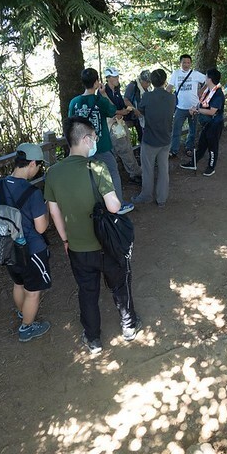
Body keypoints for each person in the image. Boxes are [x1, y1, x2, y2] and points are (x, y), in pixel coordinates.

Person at [45, 117, 142, 353]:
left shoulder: (53, 172)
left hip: (78, 247)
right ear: (86, 139)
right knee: (119, 284)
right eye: (95, 138)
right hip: (106, 244)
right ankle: (129, 325)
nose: (96, 142)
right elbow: (113, 206)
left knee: (87, 292)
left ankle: (93, 338)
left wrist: (66, 240)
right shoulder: (96, 167)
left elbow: (54, 211)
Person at [0, 143, 51, 342]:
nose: (38, 169)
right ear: (32, 163)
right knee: (33, 292)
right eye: (39, 165)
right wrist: (46, 210)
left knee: (18, 283)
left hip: (7, 248)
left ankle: (21, 312)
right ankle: (27, 327)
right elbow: (41, 228)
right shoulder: (32, 193)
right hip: (31, 250)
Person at [69, 68, 135, 215]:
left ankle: (95, 207)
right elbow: (112, 110)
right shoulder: (100, 101)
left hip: (82, 148)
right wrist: (104, 93)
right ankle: (117, 204)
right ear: (96, 82)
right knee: (112, 172)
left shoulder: (74, 103)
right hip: (102, 144)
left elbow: (70, 125)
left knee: (90, 176)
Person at [132, 69, 174, 207]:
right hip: (166, 139)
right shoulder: (171, 97)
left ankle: (146, 196)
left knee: (148, 169)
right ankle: (162, 199)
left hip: (150, 139)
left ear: (152, 82)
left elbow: (141, 111)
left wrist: (132, 109)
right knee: (163, 169)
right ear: (164, 81)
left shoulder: (147, 97)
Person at [181, 68, 224, 176]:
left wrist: (197, 110)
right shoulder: (207, 91)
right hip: (207, 123)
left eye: (206, 76)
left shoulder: (218, 93)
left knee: (212, 147)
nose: (204, 78)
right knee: (201, 143)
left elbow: (212, 111)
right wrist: (195, 108)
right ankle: (193, 163)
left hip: (215, 124)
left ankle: (211, 167)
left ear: (210, 79)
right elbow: (201, 103)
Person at [103, 67, 143, 186]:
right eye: (114, 77)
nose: (117, 79)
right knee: (124, 149)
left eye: (117, 76)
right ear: (108, 78)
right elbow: (109, 109)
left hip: (120, 123)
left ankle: (130, 173)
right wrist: (122, 112)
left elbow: (120, 104)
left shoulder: (116, 89)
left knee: (126, 147)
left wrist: (126, 110)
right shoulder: (104, 92)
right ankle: (136, 173)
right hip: (113, 124)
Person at [167, 54, 206, 158]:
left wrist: (201, 90)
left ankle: (189, 147)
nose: (186, 64)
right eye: (184, 62)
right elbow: (169, 87)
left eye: (188, 62)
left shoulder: (196, 74)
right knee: (176, 129)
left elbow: (208, 81)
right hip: (180, 107)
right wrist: (163, 97)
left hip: (194, 106)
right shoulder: (176, 73)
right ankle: (173, 150)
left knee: (192, 129)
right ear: (180, 63)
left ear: (191, 63)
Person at [123, 69, 151, 142]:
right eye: (146, 82)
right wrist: (134, 109)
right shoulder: (132, 86)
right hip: (135, 115)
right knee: (142, 134)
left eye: (149, 82)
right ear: (141, 80)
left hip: (145, 114)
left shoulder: (148, 88)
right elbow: (125, 100)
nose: (148, 84)